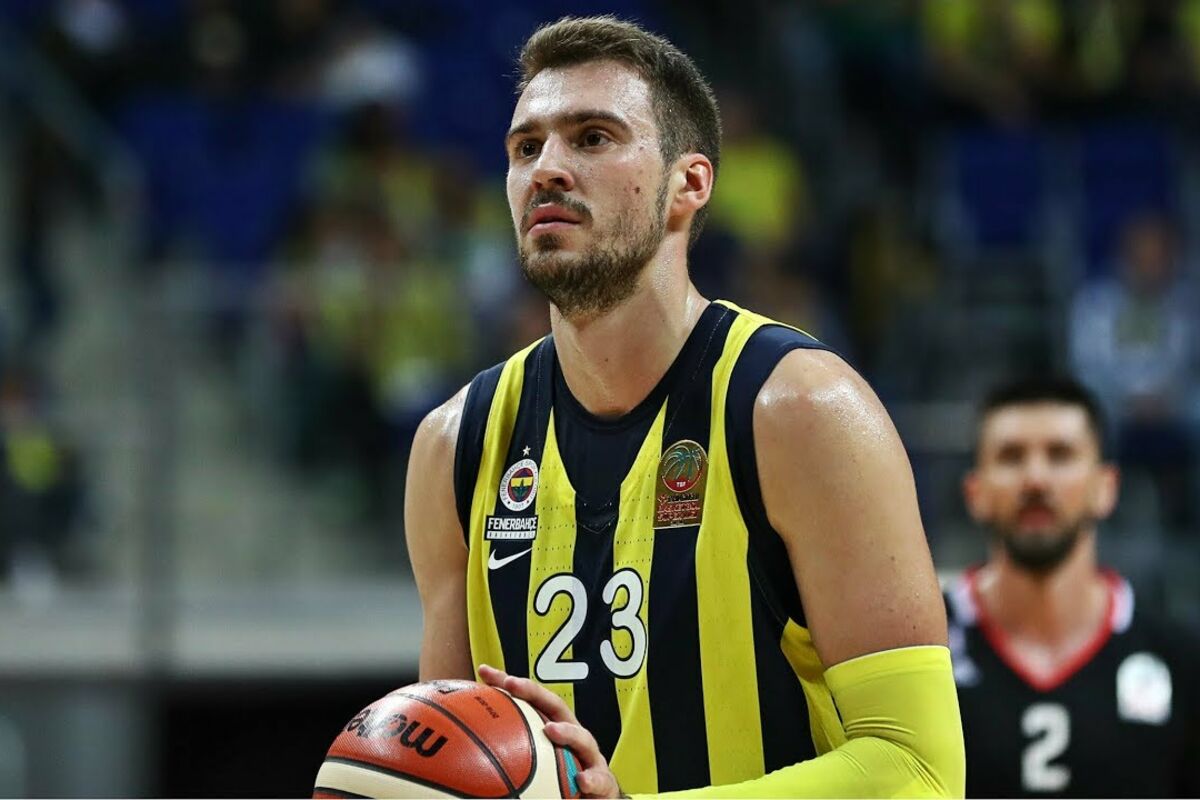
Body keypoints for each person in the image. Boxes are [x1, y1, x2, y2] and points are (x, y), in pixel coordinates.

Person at [405, 15, 964, 798]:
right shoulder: (455, 445)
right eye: (525, 148)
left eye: (592, 138)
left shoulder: (803, 411)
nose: (547, 169)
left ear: (688, 184)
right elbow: (450, 770)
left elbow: (920, 770)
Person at [948, 377, 1200, 797]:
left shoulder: (1182, 661)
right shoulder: (924, 650)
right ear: (975, 493)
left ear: (1106, 487)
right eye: (1011, 457)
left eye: (1060, 455)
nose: (1036, 479)